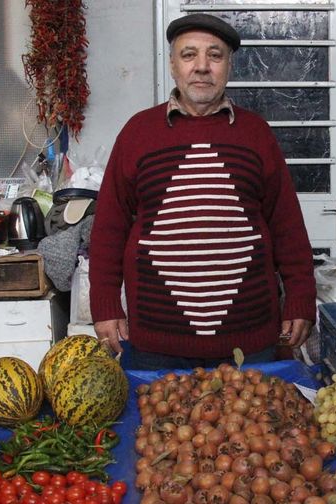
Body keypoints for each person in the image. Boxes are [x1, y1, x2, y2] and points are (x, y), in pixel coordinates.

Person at [88, 13, 316, 370]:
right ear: (173, 65)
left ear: (229, 66)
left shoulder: (256, 134)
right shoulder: (137, 133)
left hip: (251, 341)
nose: (202, 67)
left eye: (215, 55)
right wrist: (104, 304)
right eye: (189, 54)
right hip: (155, 342)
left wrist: (301, 298)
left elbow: (287, 226)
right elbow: (108, 229)